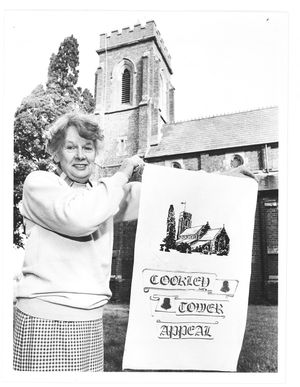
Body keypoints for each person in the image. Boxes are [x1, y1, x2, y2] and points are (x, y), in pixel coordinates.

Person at [13, 112, 143, 372]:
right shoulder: (39, 184)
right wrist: (123, 174)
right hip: (44, 321)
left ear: (96, 153)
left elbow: (165, 193)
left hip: (91, 323)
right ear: (56, 153)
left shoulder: (103, 196)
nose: (81, 155)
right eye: (70, 147)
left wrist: (231, 179)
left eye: (88, 147)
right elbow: (80, 217)